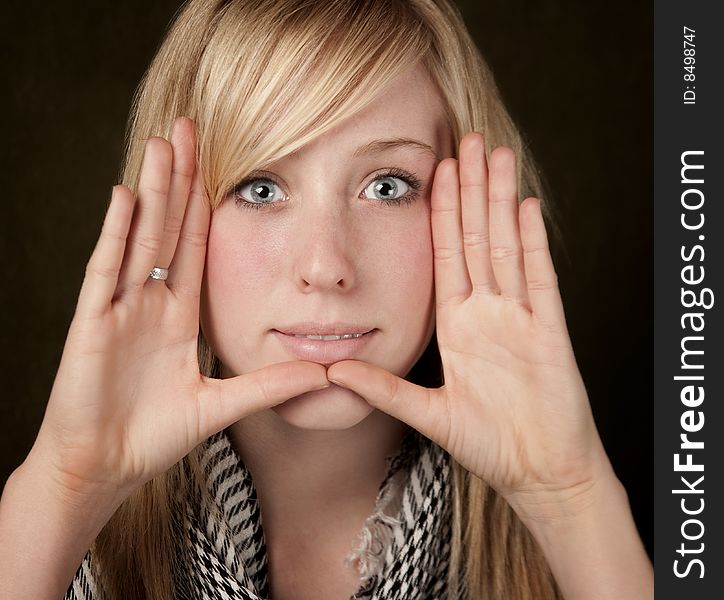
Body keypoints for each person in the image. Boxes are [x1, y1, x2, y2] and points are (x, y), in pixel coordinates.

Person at [0, 0, 653, 598]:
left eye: (389, 186)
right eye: (260, 188)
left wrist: (570, 500)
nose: (325, 266)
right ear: (173, 217)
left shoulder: (573, 537)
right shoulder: (66, 532)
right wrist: (65, 491)